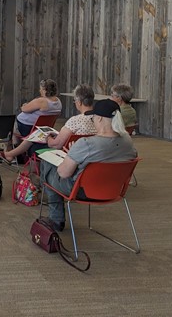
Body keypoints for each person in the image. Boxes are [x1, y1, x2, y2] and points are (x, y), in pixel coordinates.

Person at [39, 99, 137, 232]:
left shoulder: (86, 143)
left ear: (101, 119)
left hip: (82, 191)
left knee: (47, 166)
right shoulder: (128, 141)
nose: (94, 121)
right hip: (113, 189)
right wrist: (74, 154)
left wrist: (71, 155)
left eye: (93, 118)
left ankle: (56, 219)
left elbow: (63, 173)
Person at [0, 84, 96, 163]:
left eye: (74, 101)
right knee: (35, 135)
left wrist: (48, 137)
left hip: (66, 153)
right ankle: (11, 154)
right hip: (89, 153)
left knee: (34, 140)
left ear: (79, 102)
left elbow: (56, 144)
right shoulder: (100, 119)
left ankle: (11, 154)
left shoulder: (75, 120)